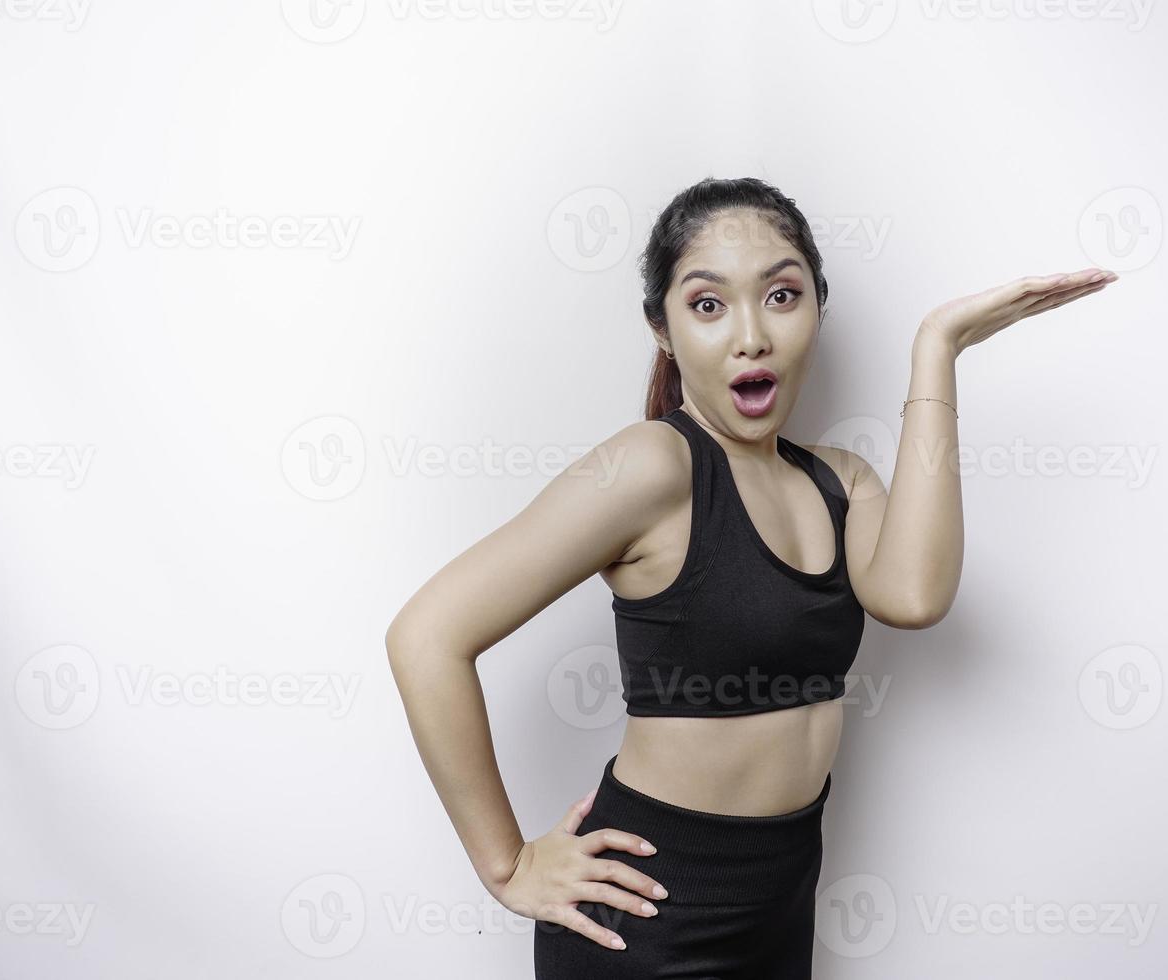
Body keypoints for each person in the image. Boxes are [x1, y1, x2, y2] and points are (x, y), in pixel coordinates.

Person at [384, 176, 1117, 978]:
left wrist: (937, 348)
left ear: (816, 311)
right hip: (646, 921)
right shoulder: (653, 467)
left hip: (781, 908)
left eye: (781, 295)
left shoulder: (842, 483)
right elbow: (426, 637)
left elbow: (916, 597)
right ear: (661, 329)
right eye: (707, 305)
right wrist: (509, 866)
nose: (751, 337)